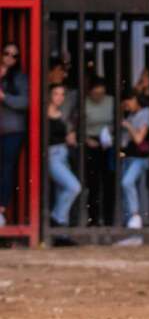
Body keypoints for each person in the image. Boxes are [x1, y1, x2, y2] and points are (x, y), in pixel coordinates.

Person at [117, 90, 149, 243]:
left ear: (135, 99)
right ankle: (131, 231)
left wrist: (127, 125)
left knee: (127, 182)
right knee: (126, 189)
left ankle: (135, 217)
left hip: (141, 157)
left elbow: (139, 139)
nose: (126, 105)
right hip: (129, 156)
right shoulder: (130, 115)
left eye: (128, 102)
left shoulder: (146, 112)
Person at [0, 42, 29, 228]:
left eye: (14, 55)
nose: (10, 57)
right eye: (7, 53)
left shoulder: (19, 78)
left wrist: (4, 98)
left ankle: (1, 210)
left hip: (12, 131)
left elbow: (26, 102)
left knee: (6, 169)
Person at [46, 84, 82, 231]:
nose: (59, 97)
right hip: (52, 155)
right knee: (74, 187)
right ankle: (56, 219)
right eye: (56, 93)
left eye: (62, 94)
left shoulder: (61, 113)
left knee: (62, 191)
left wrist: (69, 138)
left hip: (63, 154)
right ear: (49, 95)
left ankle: (61, 232)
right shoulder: (43, 113)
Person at [82, 78, 115, 226]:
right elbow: (78, 123)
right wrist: (86, 139)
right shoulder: (84, 103)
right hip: (90, 142)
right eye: (96, 94)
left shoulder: (111, 101)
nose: (99, 97)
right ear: (90, 92)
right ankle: (93, 219)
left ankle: (109, 220)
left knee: (109, 182)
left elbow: (118, 120)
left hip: (108, 143)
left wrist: (110, 135)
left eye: (102, 93)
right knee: (93, 183)